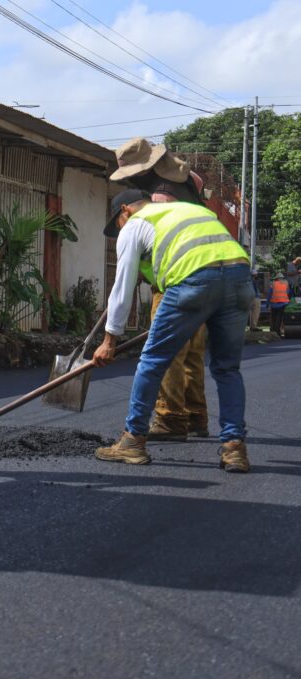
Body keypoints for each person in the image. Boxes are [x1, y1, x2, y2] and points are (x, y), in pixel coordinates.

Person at [93, 189, 253, 473]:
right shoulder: (194, 211)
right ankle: (234, 449)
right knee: (228, 369)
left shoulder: (136, 223)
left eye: (117, 224)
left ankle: (132, 441)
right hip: (240, 280)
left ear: (125, 211)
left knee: (152, 362)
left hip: (195, 280)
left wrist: (109, 340)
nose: (120, 230)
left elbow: (122, 287)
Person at [109, 138, 209, 440]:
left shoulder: (157, 201)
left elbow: (163, 239)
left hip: (174, 282)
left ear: (125, 211)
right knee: (192, 353)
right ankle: (195, 417)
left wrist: (109, 340)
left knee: (168, 353)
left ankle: (170, 418)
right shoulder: (189, 181)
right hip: (203, 273)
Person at [268, 272, 291, 337]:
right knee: (279, 318)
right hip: (283, 303)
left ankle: (273, 330)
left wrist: (267, 303)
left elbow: (269, 294)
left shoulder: (273, 283)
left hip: (274, 303)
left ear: (277, 278)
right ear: (282, 278)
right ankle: (277, 331)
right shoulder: (286, 283)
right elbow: (288, 292)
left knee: (273, 318)